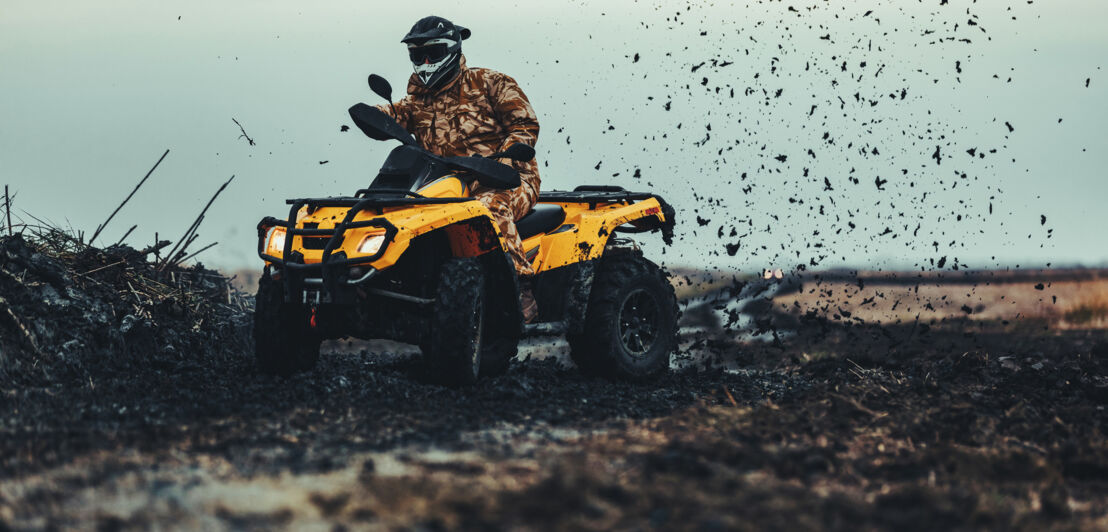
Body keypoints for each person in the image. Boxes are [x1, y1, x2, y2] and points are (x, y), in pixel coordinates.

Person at [375, 15, 541, 322]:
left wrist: (507, 156)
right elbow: (396, 113)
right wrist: (373, 115)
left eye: (433, 53)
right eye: (417, 55)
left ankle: (520, 287)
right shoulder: (417, 100)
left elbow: (525, 124)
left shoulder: (491, 83)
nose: (425, 61)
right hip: (443, 184)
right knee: (391, 213)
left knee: (489, 209)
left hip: (503, 179)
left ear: (452, 50)